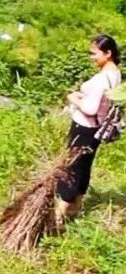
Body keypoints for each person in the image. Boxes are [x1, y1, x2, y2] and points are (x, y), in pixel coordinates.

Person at [57, 34, 121, 226]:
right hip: (97, 129)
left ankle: (58, 216)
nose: (91, 57)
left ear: (108, 53)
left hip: (84, 127)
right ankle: (75, 209)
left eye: (94, 54)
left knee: (71, 169)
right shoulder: (115, 73)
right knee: (84, 167)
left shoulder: (102, 78)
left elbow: (90, 108)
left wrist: (73, 98)